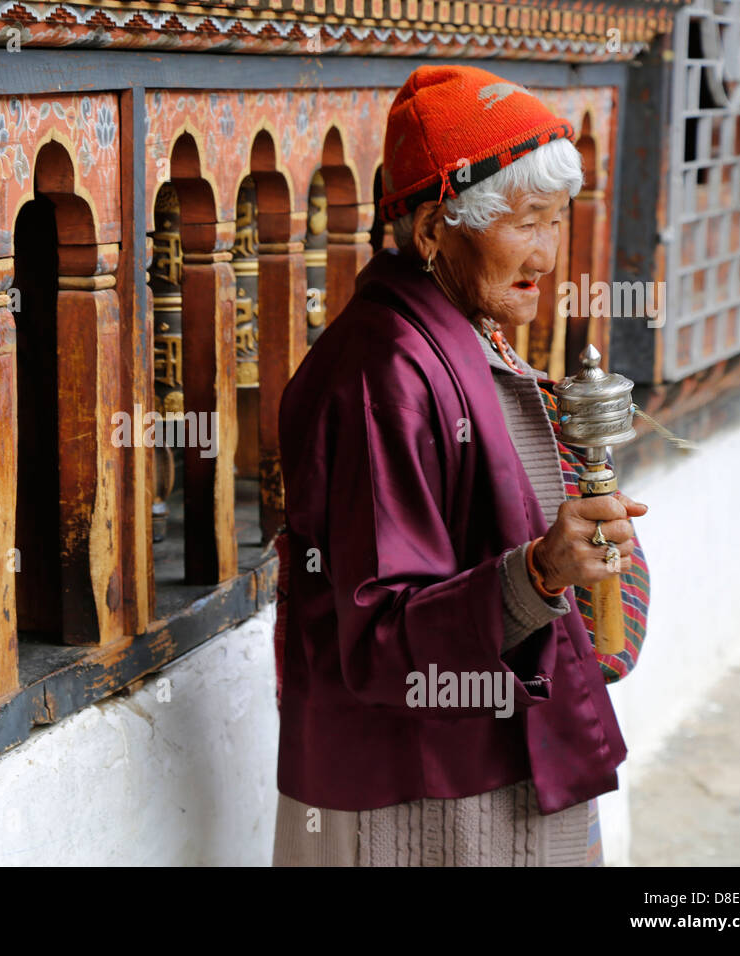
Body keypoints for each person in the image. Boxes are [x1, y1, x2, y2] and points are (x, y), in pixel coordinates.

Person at [272, 64, 649, 866]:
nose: (548, 255)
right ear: (436, 230)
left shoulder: (467, 329)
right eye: (527, 225)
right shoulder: (385, 377)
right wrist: (542, 573)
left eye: (557, 222)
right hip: (420, 790)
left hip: (500, 755)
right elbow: (377, 638)